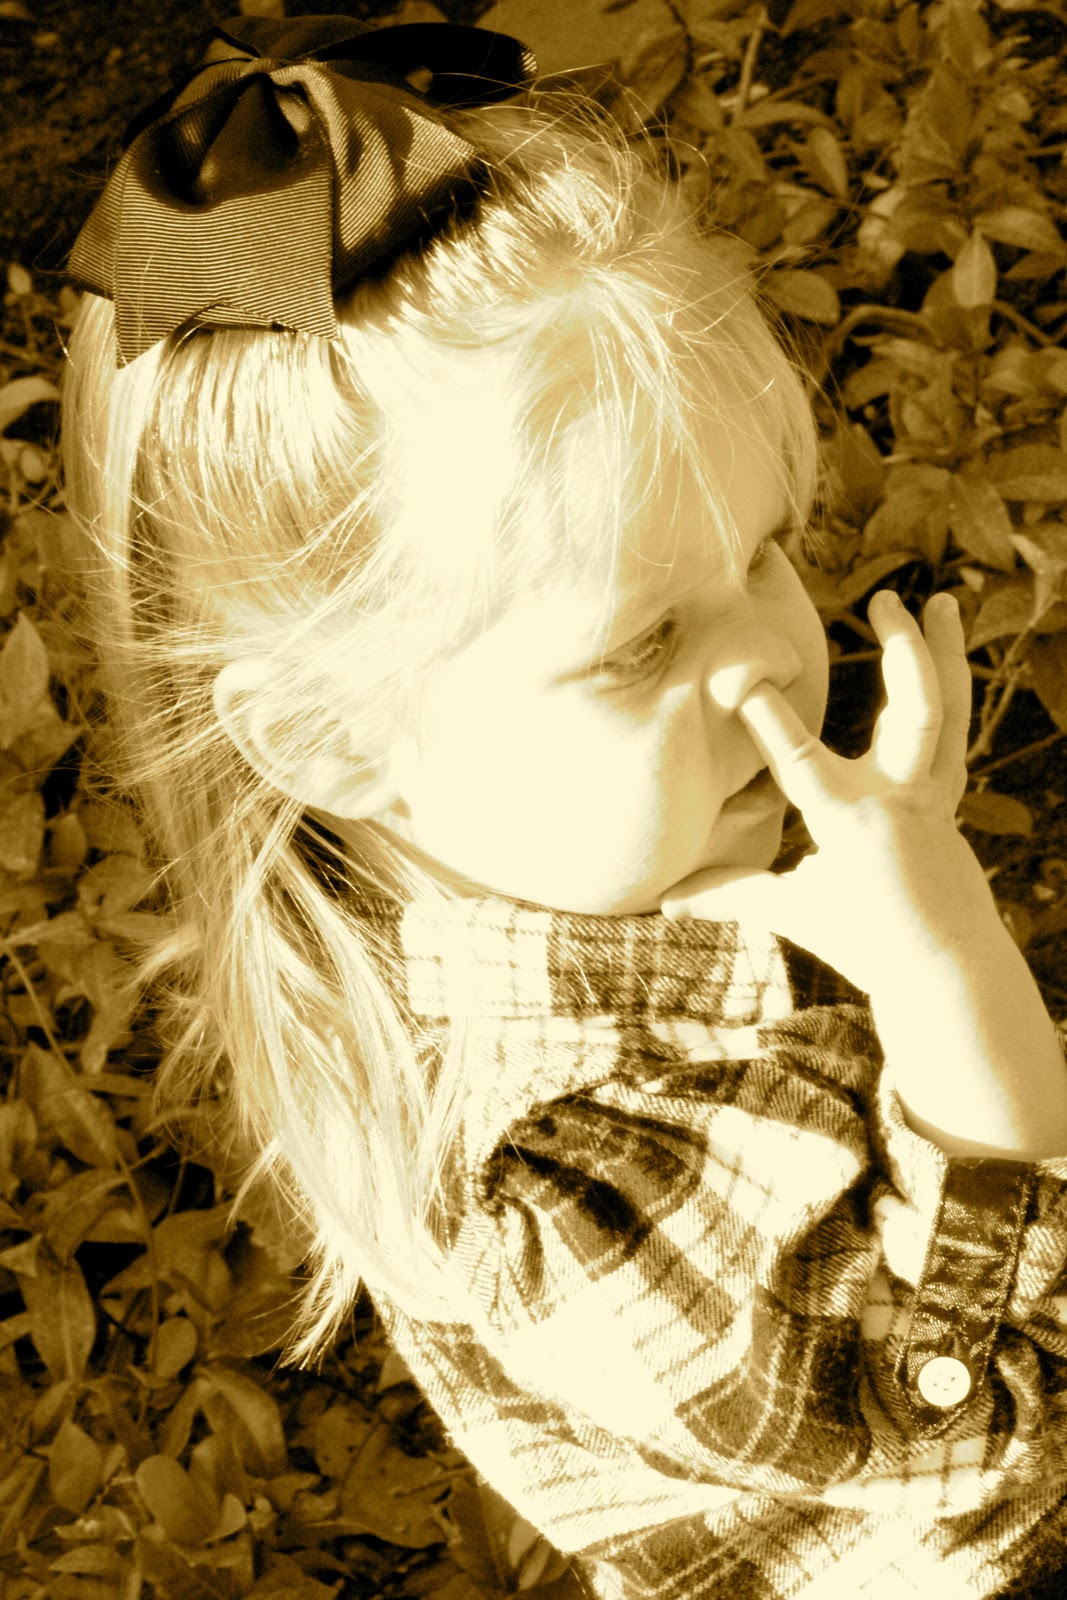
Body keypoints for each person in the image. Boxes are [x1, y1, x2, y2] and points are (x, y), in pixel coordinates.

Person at [60, 13, 1067, 1598]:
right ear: (331, 739)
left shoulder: (583, 842)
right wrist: (950, 980)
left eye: (765, 551)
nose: (771, 662)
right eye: (641, 645)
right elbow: (973, 1411)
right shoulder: (559, 1190)